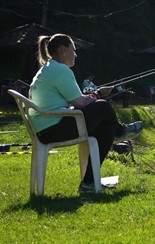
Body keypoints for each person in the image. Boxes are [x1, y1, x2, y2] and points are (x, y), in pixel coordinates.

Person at [29, 34, 143, 193]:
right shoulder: (61, 70)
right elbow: (80, 103)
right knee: (103, 107)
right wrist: (99, 95)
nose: (75, 54)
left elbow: (76, 100)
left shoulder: (50, 68)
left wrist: (96, 94)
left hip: (45, 129)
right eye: (73, 50)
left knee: (105, 129)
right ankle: (120, 132)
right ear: (63, 50)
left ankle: (89, 183)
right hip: (52, 129)